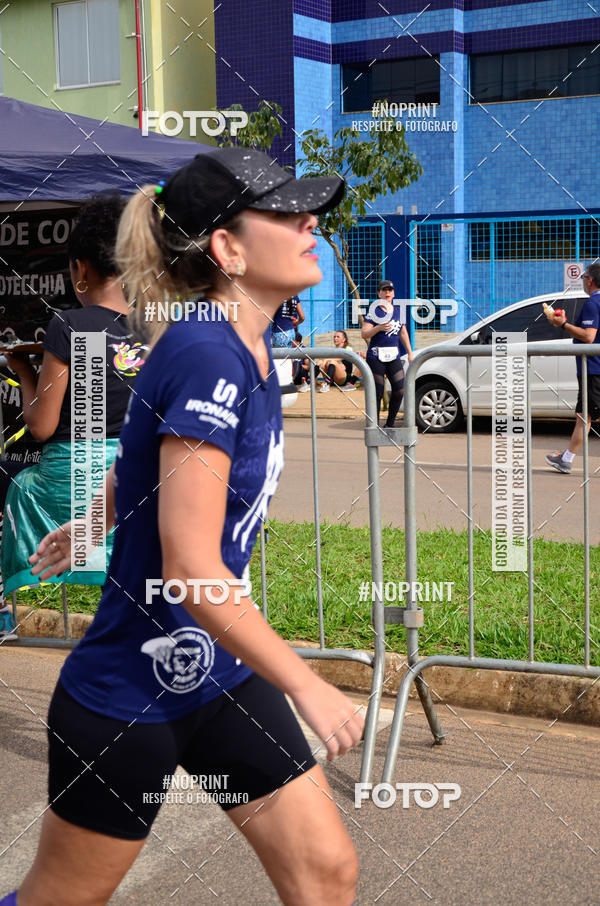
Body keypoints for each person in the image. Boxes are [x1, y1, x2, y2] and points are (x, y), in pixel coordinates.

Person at [6, 148, 363, 906]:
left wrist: (96, 519)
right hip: (130, 691)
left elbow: (142, 445)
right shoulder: (208, 353)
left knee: (326, 872)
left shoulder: (224, 338)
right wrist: (307, 684)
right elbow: (194, 571)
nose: (310, 224)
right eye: (285, 213)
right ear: (228, 250)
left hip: (220, 678)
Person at [0, 195, 146, 639]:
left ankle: (4, 609)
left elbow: (41, 426)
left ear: (80, 269)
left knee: (17, 484)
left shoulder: (69, 325)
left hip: (73, 481)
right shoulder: (152, 329)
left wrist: (23, 369)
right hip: (134, 479)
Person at [545, 263, 600, 473]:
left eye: (584, 276)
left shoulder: (593, 302)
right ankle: (566, 458)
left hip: (593, 369)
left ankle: (566, 459)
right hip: (593, 368)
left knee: (584, 416)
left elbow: (588, 336)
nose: (584, 280)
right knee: (585, 415)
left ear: (590, 280)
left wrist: (563, 325)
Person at [361, 279, 413, 426]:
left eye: (390, 290)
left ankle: (390, 424)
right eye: (384, 290)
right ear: (379, 293)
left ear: (394, 293)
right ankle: (374, 426)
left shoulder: (398, 310)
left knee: (400, 390)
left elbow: (403, 332)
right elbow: (364, 334)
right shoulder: (374, 311)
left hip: (393, 356)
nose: (387, 293)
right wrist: (378, 328)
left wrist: (410, 352)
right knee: (377, 392)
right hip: (376, 356)